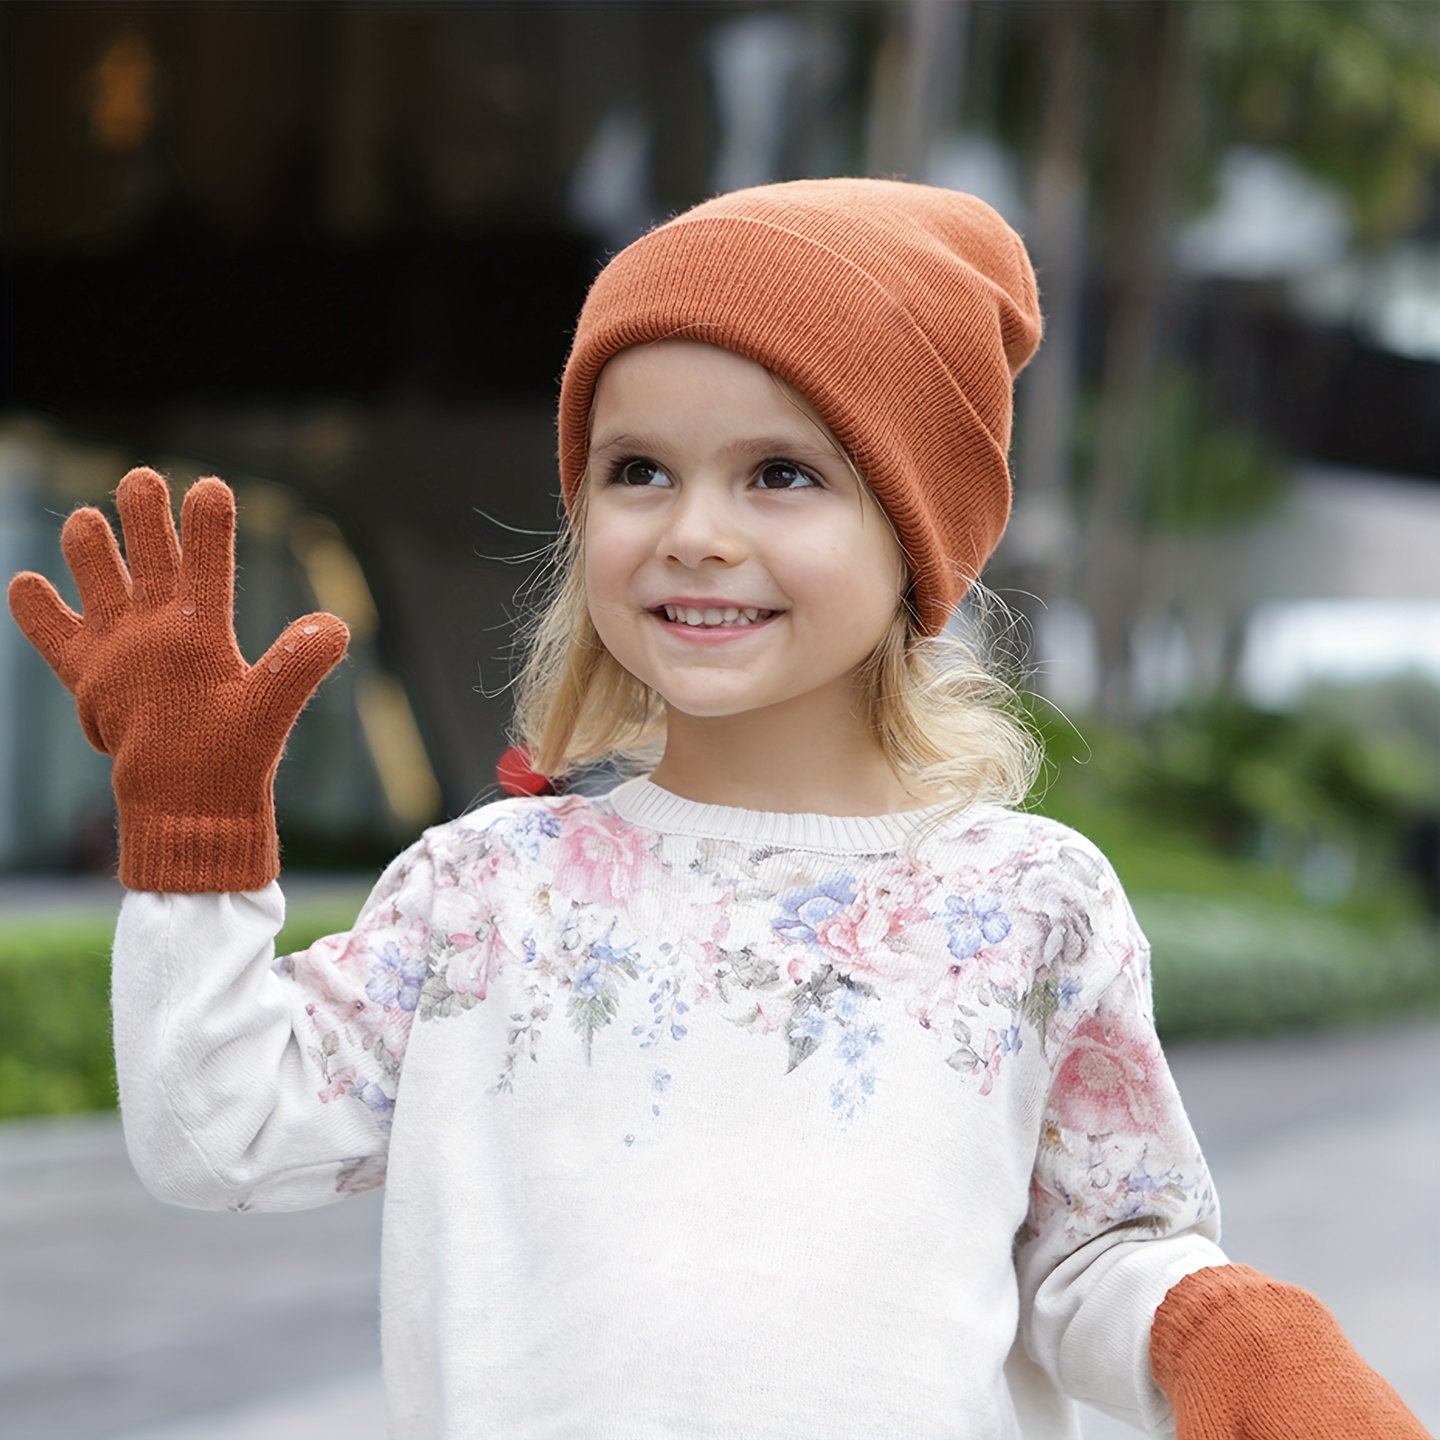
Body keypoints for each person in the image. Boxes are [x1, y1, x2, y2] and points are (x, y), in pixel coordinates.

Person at [8, 180, 1427, 1440]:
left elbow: (1089, 1259)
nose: (696, 528)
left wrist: (1221, 1332)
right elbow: (220, 1136)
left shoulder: (1030, 906)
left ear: (916, 533)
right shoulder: (483, 897)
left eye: (782, 474)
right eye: (640, 471)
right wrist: (190, 831)